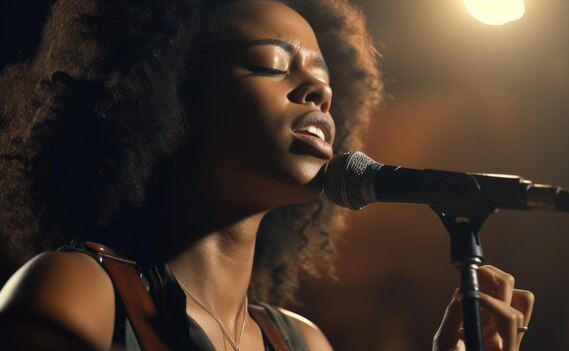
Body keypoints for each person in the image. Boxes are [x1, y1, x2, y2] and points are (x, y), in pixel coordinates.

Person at [0, 0, 534, 350]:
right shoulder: (79, 292)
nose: (319, 92)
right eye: (271, 65)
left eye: (323, 79)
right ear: (167, 97)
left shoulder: (303, 341)